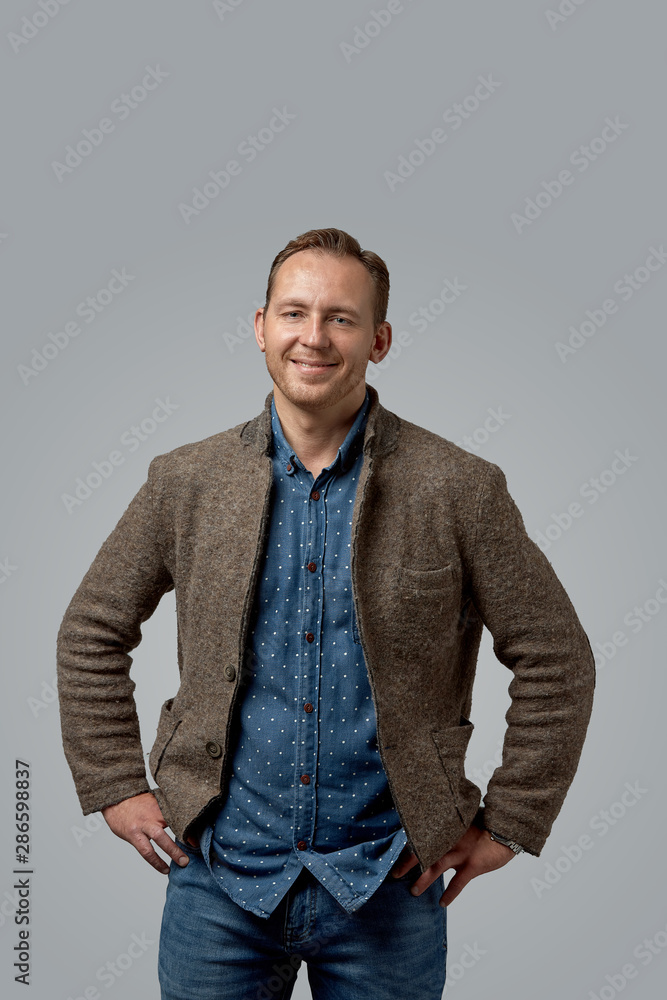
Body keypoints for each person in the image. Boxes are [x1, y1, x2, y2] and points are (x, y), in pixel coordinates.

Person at [57, 227, 596, 999]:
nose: (313, 337)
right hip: (219, 878)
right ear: (260, 327)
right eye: (293, 313)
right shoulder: (185, 481)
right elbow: (91, 630)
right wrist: (113, 779)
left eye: (340, 318)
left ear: (378, 339)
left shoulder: (458, 488)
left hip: (388, 882)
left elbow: (556, 659)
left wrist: (512, 821)